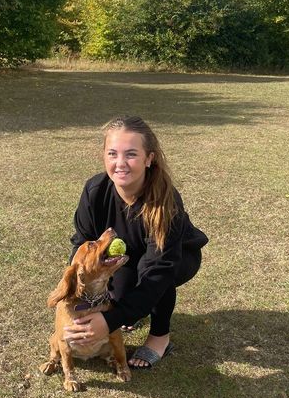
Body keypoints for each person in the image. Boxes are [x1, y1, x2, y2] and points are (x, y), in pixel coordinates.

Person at [63, 115, 208, 369]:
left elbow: (157, 272)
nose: (120, 163)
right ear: (103, 156)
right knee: (122, 296)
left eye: (130, 154)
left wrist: (110, 321)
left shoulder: (166, 201)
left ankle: (160, 338)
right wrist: (77, 296)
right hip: (129, 255)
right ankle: (134, 310)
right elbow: (81, 243)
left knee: (153, 280)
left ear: (148, 158)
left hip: (175, 258)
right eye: (112, 154)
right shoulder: (95, 191)